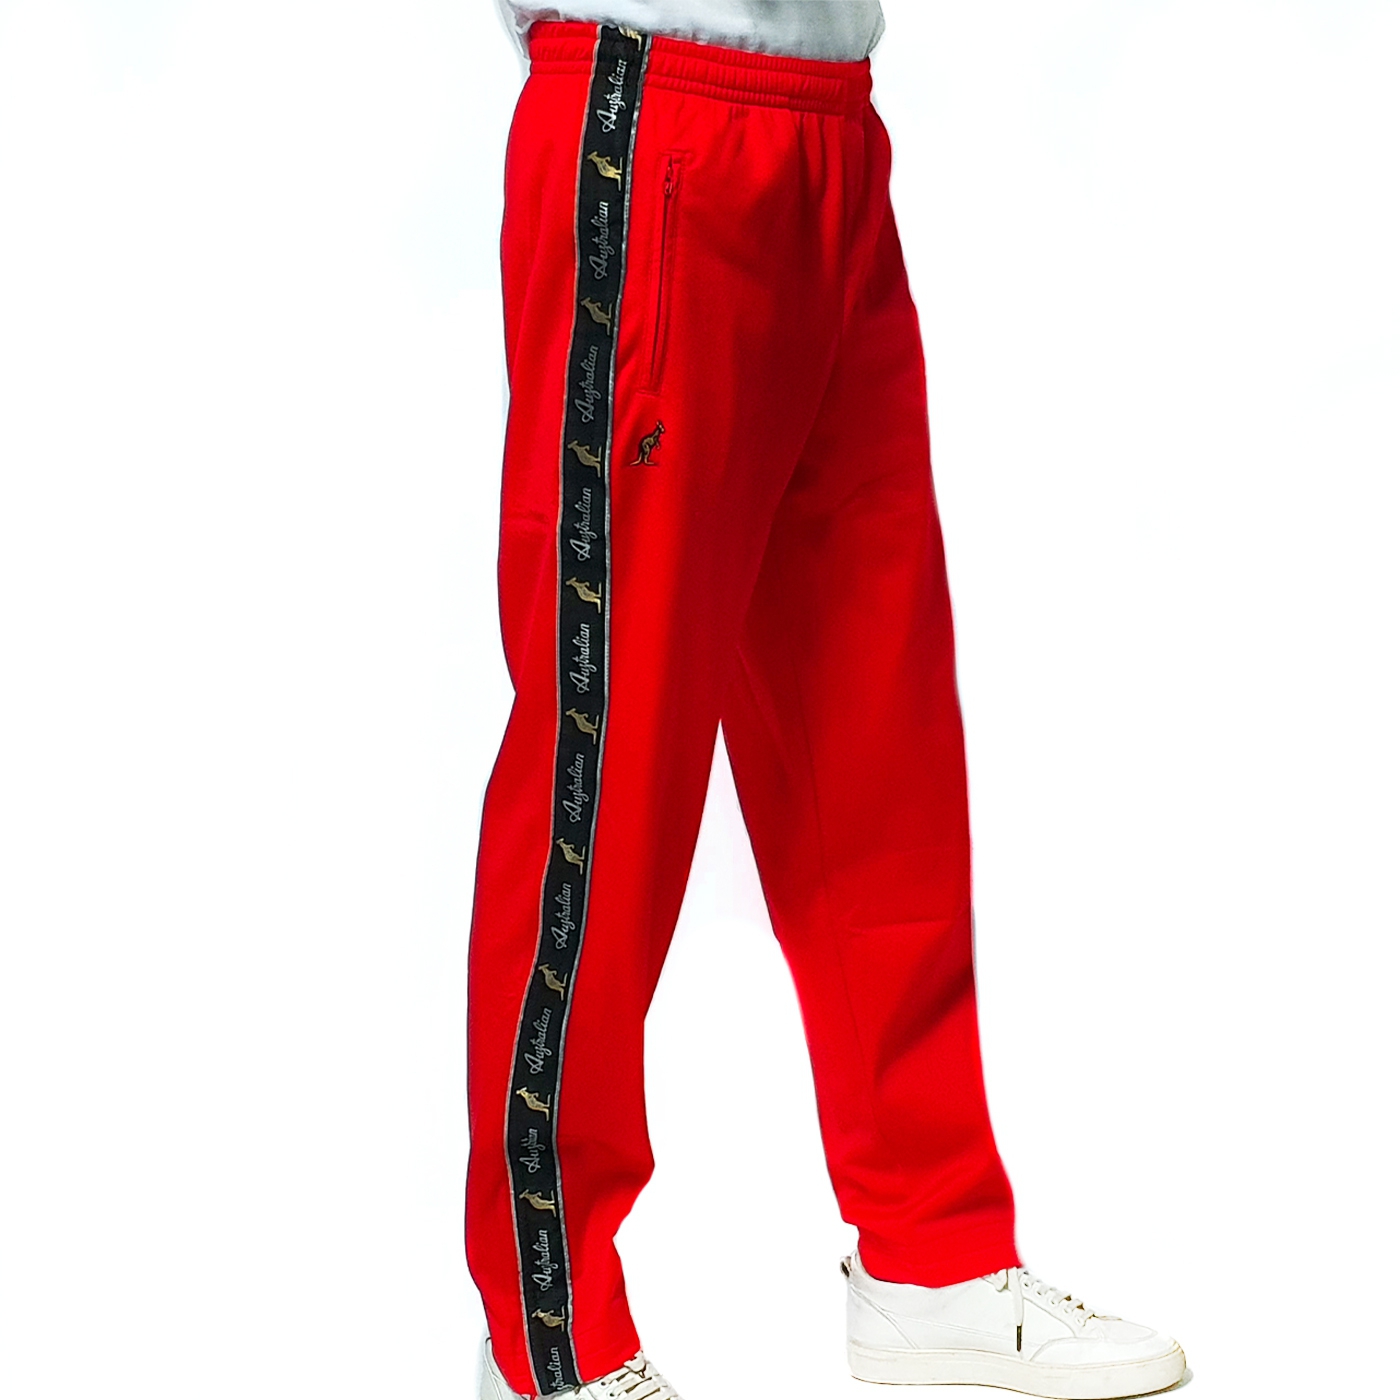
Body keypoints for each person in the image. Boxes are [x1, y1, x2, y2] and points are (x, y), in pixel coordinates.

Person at [467, 5, 1186, 1399]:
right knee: (607, 756)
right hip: (654, 106)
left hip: (831, 122)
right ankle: (548, 1335)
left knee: (877, 736)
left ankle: (933, 1256)